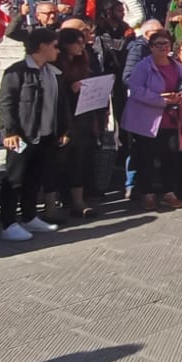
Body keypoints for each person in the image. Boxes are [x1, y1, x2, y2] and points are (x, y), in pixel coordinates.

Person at [0, 28, 69, 242]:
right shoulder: (17, 71)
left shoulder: (53, 73)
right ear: (42, 46)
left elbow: (60, 105)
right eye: (54, 46)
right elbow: (6, 102)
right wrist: (10, 131)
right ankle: (9, 222)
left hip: (46, 135)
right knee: (14, 178)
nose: (58, 50)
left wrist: (64, 130)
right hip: (23, 135)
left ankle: (29, 216)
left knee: (35, 177)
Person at [122, 30, 182, 212]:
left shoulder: (177, 66)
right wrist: (161, 99)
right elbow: (136, 89)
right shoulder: (143, 66)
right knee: (146, 158)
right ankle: (147, 194)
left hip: (171, 120)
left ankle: (168, 192)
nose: (163, 47)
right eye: (158, 44)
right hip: (147, 121)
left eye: (166, 44)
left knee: (170, 157)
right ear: (151, 47)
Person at [51, 28, 102, 220]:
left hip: (83, 118)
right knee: (60, 161)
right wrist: (70, 88)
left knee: (79, 160)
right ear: (66, 44)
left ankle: (78, 202)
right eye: (78, 43)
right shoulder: (56, 64)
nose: (82, 46)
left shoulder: (83, 62)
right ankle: (57, 200)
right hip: (63, 118)